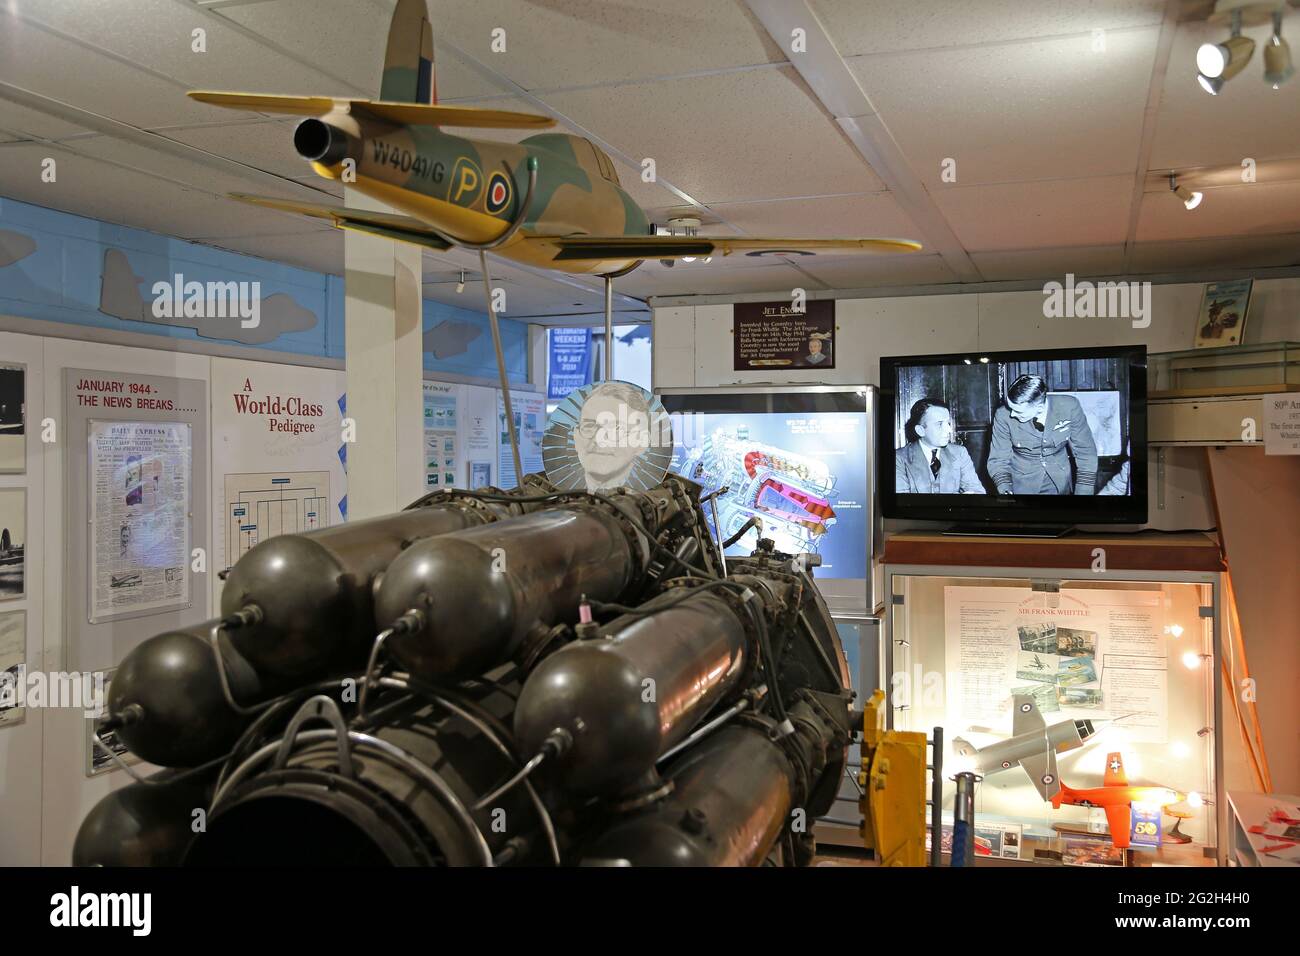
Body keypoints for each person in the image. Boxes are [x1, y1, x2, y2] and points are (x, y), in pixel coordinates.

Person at [987, 374, 1097, 495]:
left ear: (1039, 407)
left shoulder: (1069, 407)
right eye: (1010, 407)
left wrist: (1084, 493)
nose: (1012, 414)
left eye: (1018, 411)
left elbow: (1086, 452)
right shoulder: (1003, 415)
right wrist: (1005, 489)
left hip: (1059, 483)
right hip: (1021, 485)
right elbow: (998, 460)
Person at [574, 381, 654, 491]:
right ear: (576, 436)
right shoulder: (554, 493)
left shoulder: (656, 493)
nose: (599, 439)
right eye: (589, 426)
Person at [895, 399, 983, 494]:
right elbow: (902, 502)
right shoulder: (899, 458)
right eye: (940, 424)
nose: (949, 429)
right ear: (920, 430)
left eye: (948, 423)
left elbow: (977, 492)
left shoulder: (959, 453)